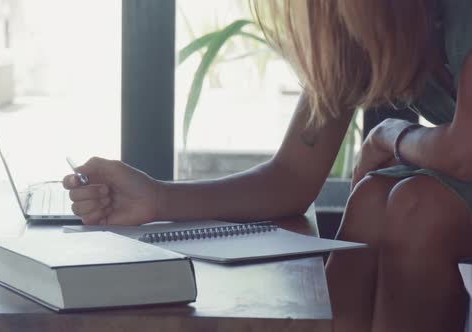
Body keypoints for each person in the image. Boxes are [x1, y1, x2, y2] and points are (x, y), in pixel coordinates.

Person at [63, 1, 472, 331]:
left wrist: (389, 135)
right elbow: (292, 176)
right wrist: (157, 197)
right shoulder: (351, 24)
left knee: (420, 206)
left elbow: (463, 151)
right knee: (371, 197)